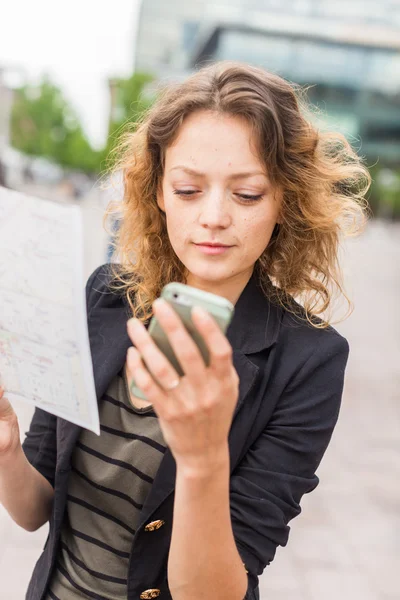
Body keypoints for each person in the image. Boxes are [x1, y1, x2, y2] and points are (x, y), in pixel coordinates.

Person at [0, 61, 370, 600]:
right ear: (158, 192)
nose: (214, 216)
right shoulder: (105, 296)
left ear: (284, 202)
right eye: (189, 189)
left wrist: (202, 460)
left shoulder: (309, 361)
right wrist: (7, 449)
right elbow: (35, 509)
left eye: (246, 195)